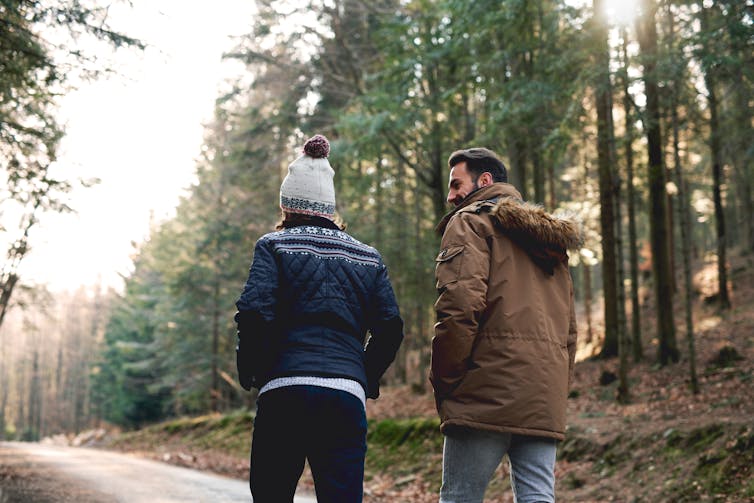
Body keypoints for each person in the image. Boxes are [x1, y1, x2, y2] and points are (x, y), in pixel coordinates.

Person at [234, 133, 404, 503]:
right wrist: (364, 375)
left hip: (284, 391)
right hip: (344, 396)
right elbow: (390, 328)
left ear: (288, 206)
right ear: (329, 207)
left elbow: (253, 313)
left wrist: (253, 368)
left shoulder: (273, 245)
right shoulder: (369, 257)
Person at [430, 147, 581, 503]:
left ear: (485, 181)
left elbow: (459, 308)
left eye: (456, 184)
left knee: (459, 498)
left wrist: (446, 380)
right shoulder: (550, 242)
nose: (450, 196)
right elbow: (569, 330)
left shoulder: (469, 222)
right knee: (538, 497)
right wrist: (555, 385)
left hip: (484, 389)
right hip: (542, 392)